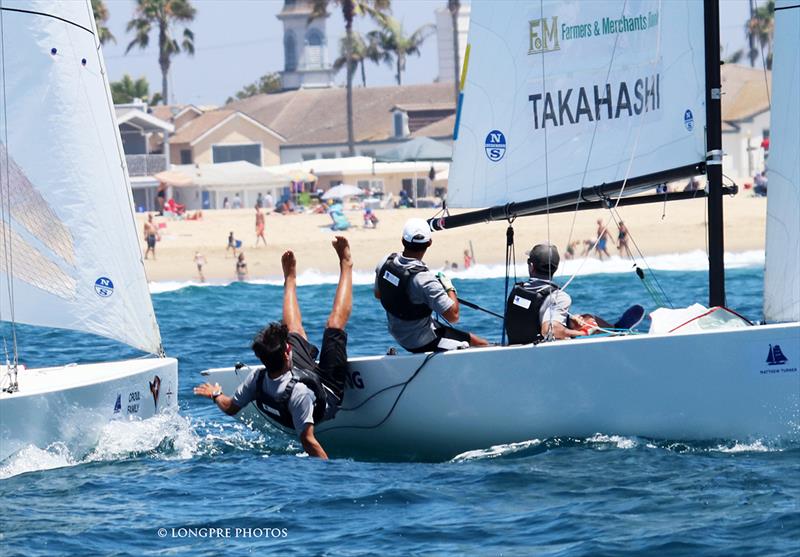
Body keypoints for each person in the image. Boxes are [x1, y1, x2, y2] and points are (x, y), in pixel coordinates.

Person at [193, 237, 353, 459]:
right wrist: (329, 475)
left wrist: (216, 394)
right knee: (334, 325)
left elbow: (230, 407)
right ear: (287, 354)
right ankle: (346, 264)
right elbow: (308, 440)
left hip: (297, 377)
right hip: (327, 392)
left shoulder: (256, 379)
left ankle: (289, 279)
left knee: (294, 330)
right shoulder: (299, 394)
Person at [374, 218, 489, 353]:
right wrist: (449, 287)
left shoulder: (386, 262)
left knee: (477, 341)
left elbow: (378, 294)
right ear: (429, 243)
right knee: (482, 346)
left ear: (402, 240)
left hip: (397, 331)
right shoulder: (424, 280)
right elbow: (454, 316)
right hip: (419, 341)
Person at [505, 243, 585, 344]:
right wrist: (580, 333)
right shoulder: (560, 297)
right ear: (555, 269)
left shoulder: (518, 290)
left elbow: (530, 317)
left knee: (584, 318)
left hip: (514, 349)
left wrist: (569, 320)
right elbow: (549, 330)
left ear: (531, 266)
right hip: (541, 353)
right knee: (590, 319)